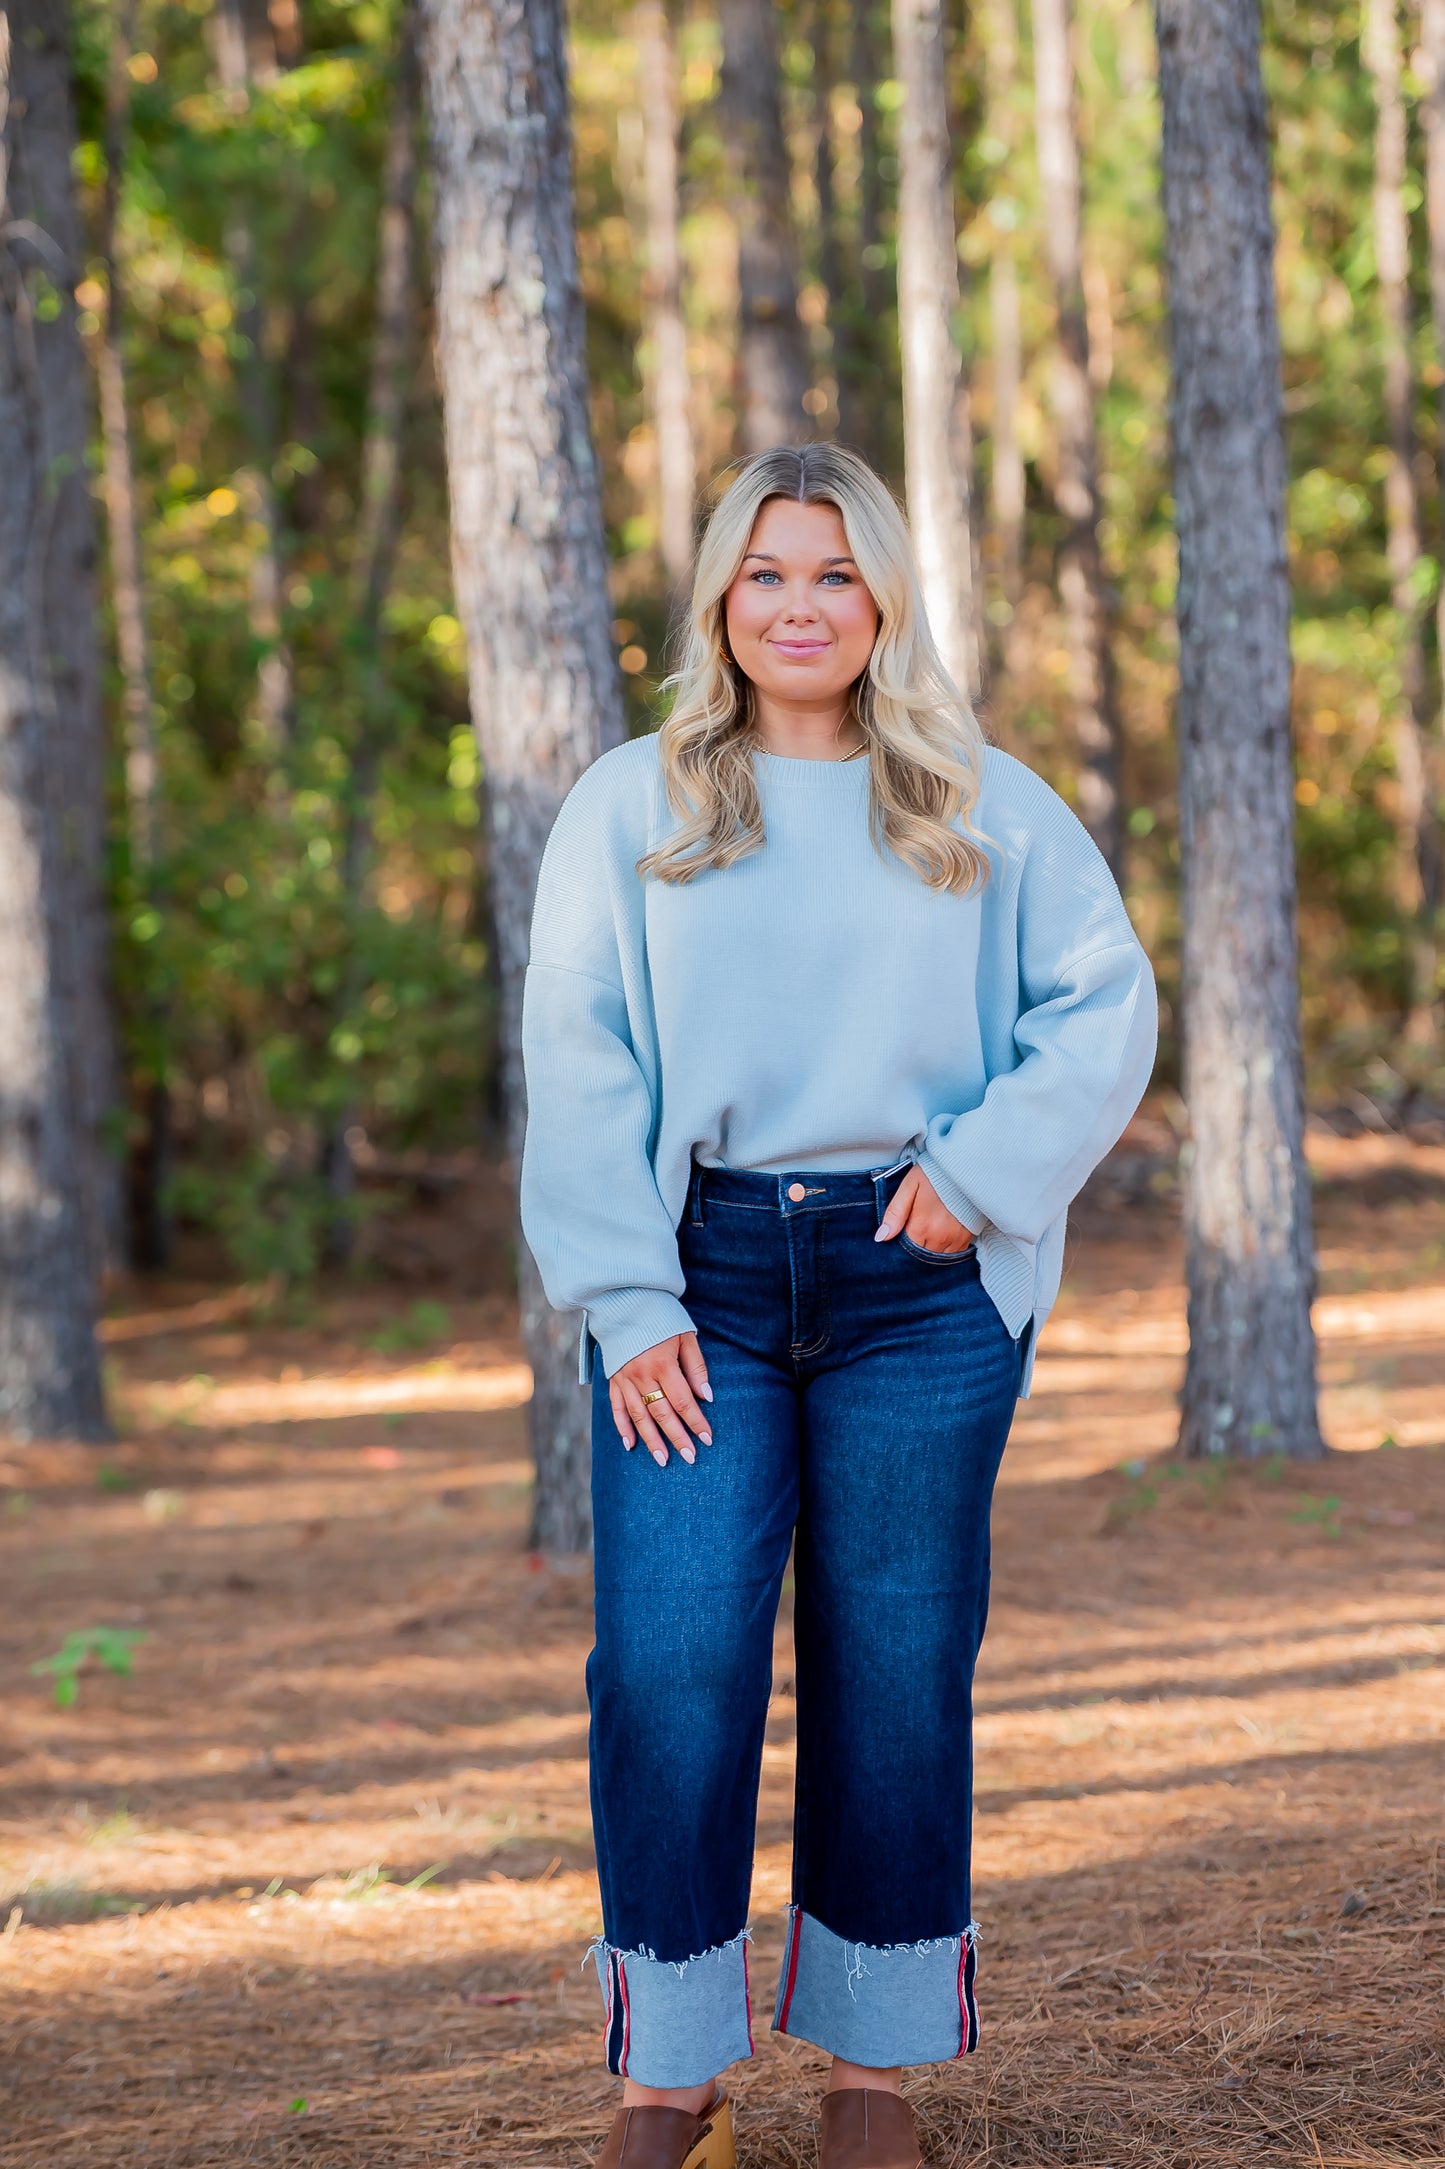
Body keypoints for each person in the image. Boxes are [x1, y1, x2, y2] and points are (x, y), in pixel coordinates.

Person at [520, 444, 1156, 2169]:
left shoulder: (982, 802)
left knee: (894, 1665)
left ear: (882, 601)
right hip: (697, 1286)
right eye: (764, 573)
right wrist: (626, 1294)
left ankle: (871, 2070)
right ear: (720, 600)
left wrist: (983, 1169)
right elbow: (576, 1058)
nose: (798, 606)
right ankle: (669, 2074)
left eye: (834, 574)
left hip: (917, 1279)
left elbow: (1102, 1008)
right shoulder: (627, 804)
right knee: (671, 1663)